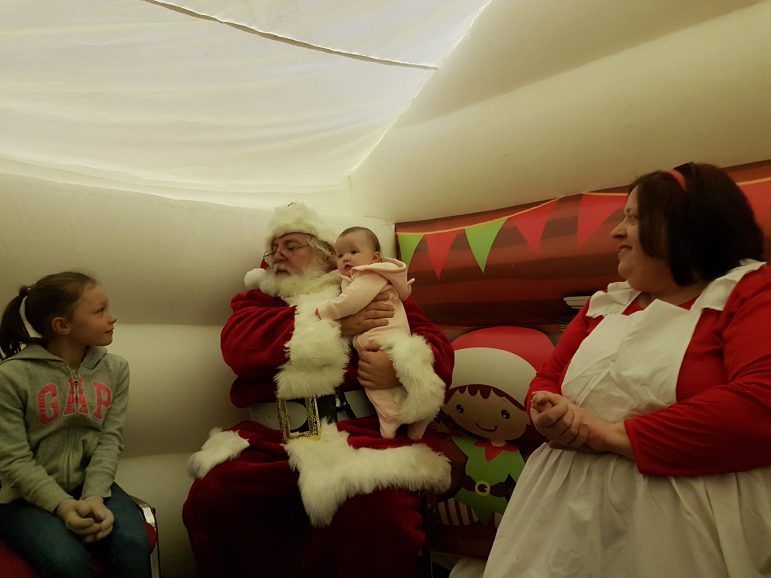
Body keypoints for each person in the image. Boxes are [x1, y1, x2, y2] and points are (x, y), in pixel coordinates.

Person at [484, 162, 771, 578]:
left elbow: (759, 405)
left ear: (687, 225)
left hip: (686, 528)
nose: (617, 232)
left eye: (633, 218)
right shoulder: (606, 304)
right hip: (561, 519)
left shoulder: (747, 293)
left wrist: (608, 434)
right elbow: (548, 378)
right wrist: (545, 409)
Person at [183, 202, 455, 578]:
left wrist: (399, 369)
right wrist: (334, 326)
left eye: (292, 246)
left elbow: (435, 344)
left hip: (359, 438)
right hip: (271, 440)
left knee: (379, 511)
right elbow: (238, 346)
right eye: (272, 249)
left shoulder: (371, 287)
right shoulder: (259, 300)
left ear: (326, 254)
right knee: (214, 496)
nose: (277, 255)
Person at [0, 272, 150, 578]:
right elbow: (14, 459)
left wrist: (94, 495)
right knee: (66, 563)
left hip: (92, 485)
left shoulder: (116, 369)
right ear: (62, 326)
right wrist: (63, 506)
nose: (113, 318)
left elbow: (110, 440)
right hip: (23, 498)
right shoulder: (11, 377)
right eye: (100, 311)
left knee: (133, 544)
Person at [316, 226, 445, 440]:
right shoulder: (352, 279)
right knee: (397, 385)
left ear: (375, 258)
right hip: (381, 343)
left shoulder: (370, 274)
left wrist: (323, 312)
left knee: (384, 385)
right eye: (340, 255)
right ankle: (412, 416)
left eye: (353, 252)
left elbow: (350, 302)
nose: (345, 258)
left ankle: (394, 418)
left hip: (384, 339)